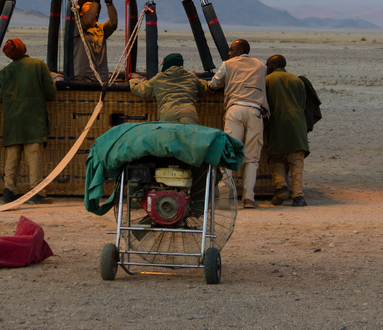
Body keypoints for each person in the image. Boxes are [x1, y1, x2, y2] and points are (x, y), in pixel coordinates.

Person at [0, 37, 57, 204]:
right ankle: (36, 192)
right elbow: (50, 93)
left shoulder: (4, 72)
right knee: (34, 156)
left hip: (11, 120)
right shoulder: (38, 65)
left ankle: (9, 190)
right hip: (33, 118)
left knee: (12, 157)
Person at [209, 38, 268, 208]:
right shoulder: (260, 66)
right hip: (255, 111)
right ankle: (249, 198)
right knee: (252, 158)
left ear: (240, 50)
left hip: (235, 110)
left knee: (228, 153)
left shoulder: (228, 64)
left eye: (232, 49)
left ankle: (225, 196)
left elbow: (214, 83)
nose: (229, 53)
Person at [265, 54, 310, 207]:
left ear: (275, 64)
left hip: (278, 124)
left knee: (276, 159)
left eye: (268, 65)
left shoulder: (268, 80)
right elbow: (303, 105)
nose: (266, 68)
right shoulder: (297, 80)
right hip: (298, 126)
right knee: (297, 163)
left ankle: (281, 186)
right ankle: (298, 197)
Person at [129, 52, 207, 123]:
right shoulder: (192, 77)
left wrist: (134, 80)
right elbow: (204, 90)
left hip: (168, 115)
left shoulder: (159, 78)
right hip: (190, 115)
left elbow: (140, 90)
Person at [73, 0, 118, 83]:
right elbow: (87, 22)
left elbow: (113, 23)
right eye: (87, 4)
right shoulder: (77, 27)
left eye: (92, 4)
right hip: (83, 79)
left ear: (96, 14)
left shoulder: (101, 29)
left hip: (102, 79)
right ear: (80, 13)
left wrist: (108, 0)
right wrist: (96, 0)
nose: (90, 3)